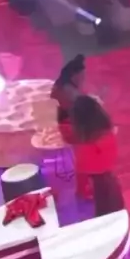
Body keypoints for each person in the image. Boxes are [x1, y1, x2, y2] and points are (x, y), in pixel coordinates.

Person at [70, 95, 124, 217]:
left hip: (98, 191)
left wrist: (79, 192)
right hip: (113, 185)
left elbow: (81, 175)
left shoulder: (86, 149)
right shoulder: (108, 135)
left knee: (104, 217)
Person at [50, 55, 90, 197]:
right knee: (86, 155)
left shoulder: (65, 85)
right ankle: (83, 188)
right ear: (74, 75)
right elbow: (79, 112)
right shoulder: (69, 92)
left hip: (69, 123)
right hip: (70, 128)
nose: (83, 79)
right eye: (82, 76)